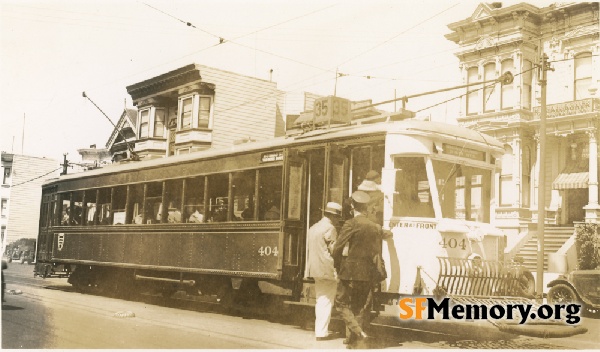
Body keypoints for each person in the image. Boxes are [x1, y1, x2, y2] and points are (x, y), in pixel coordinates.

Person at [332, 190, 383, 349]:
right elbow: (375, 250)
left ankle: (358, 332)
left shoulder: (351, 223)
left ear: (353, 206)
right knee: (359, 306)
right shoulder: (374, 226)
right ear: (366, 207)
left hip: (349, 272)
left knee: (340, 303)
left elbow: (337, 248)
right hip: (367, 272)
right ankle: (353, 342)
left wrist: (337, 265)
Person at [305, 201, 343, 341]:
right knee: (326, 301)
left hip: (315, 269)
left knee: (321, 299)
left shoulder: (314, 227)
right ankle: (321, 332)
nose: (338, 220)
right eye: (338, 217)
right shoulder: (330, 229)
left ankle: (320, 330)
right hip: (327, 269)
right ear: (333, 216)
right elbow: (333, 251)